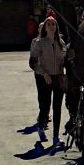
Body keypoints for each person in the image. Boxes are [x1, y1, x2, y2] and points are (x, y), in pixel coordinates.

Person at [29, 15, 67, 145]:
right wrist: (44, 74)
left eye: (53, 24)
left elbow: (65, 61)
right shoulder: (40, 42)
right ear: (45, 27)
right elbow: (32, 62)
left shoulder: (61, 43)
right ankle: (40, 127)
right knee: (45, 107)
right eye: (49, 24)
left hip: (58, 78)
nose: (51, 26)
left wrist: (64, 73)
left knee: (57, 108)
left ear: (56, 27)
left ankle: (56, 137)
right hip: (45, 78)